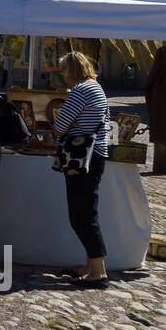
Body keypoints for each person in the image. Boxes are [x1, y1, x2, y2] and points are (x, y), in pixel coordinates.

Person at [53, 51, 111, 286]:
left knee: (82, 215)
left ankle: (98, 272)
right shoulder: (95, 87)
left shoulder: (80, 91)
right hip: (95, 154)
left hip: (83, 157)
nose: (63, 75)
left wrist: (67, 126)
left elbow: (59, 126)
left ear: (73, 70)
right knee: (85, 212)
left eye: (64, 70)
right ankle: (90, 266)